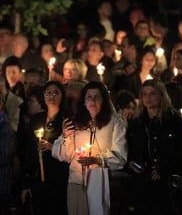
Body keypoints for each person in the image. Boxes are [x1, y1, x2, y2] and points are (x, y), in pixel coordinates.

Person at [52, 81, 128, 215]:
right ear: (83, 101)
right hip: (76, 181)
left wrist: (97, 160)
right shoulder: (76, 122)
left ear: (104, 100)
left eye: (96, 97)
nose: (92, 100)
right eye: (89, 97)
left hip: (101, 182)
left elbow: (120, 157)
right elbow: (65, 156)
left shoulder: (115, 122)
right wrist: (66, 136)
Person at [126, 79, 182, 214]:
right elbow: (129, 147)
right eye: (144, 94)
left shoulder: (174, 121)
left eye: (152, 93)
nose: (148, 98)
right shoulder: (136, 122)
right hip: (142, 183)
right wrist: (131, 162)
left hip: (166, 185)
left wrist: (165, 168)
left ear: (161, 95)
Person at [21, 81, 70, 215]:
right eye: (48, 92)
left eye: (56, 92)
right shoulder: (36, 119)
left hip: (58, 178)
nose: (51, 96)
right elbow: (29, 151)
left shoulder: (66, 120)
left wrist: (51, 147)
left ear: (62, 96)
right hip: (38, 178)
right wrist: (26, 183)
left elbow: (70, 150)